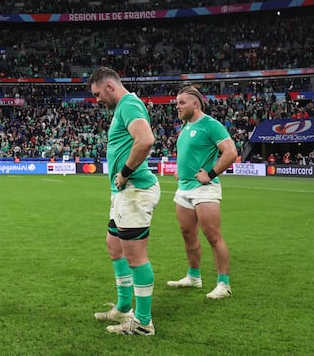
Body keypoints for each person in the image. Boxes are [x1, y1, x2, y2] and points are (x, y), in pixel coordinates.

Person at [89, 67, 160, 336]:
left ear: (110, 86)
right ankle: (123, 306)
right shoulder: (123, 108)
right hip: (123, 193)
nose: (97, 100)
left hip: (135, 190)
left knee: (134, 255)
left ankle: (143, 323)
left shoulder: (129, 104)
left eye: (97, 94)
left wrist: (126, 172)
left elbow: (146, 140)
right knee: (113, 245)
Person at [167, 86, 238, 299]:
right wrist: (181, 171)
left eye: (181, 103)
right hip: (184, 189)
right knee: (188, 235)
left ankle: (223, 284)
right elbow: (189, 154)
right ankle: (193, 277)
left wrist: (210, 172)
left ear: (195, 104)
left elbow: (231, 152)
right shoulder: (186, 127)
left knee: (212, 235)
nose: (177, 107)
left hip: (204, 190)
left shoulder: (211, 125)